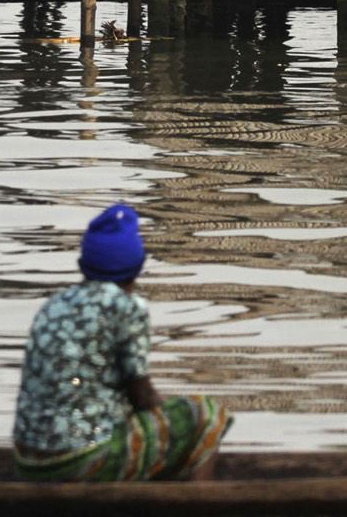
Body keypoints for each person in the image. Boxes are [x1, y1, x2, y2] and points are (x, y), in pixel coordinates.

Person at [12, 205, 230, 483]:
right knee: (205, 415)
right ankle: (196, 510)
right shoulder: (127, 307)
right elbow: (142, 398)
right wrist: (178, 419)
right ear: (136, 268)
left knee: (145, 421)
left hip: (28, 463)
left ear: (84, 266)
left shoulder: (54, 305)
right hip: (79, 461)